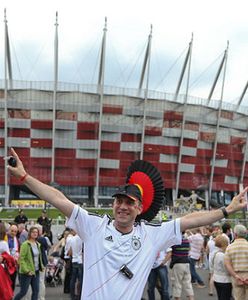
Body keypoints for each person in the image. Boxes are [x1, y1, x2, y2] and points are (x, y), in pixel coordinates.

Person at [7, 148, 248, 300]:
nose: (122, 206)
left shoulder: (151, 234)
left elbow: (190, 219)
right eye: (119, 201)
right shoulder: (94, 225)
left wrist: (226, 209)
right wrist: (25, 177)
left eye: (129, 203)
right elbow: (59, 198)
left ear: (139, 208)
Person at [14, 226, 44, 300]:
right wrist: (27, 270)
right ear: (30, 233)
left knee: (36, 291)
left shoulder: (37, 244)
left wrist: (41, 266)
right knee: (23, 292)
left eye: (36, 232)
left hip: (36, 271)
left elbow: (39, 257)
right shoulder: (25, 244)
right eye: (33, 232)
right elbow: (21, 259)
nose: (35, 233)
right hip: (26, 272)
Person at [224, 224, 248, 300]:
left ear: (235, 234)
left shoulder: (229, 247)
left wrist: (235, 275)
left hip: (236, 275)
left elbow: (227, 265)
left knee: (238, 297)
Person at [170, 232, 194, 300]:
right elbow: (189, 250)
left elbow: (170, 250)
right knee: (188, 283)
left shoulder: (175, 241)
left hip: (178, 263)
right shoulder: (186, 241)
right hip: (186, 263)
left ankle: (177, 298)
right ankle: (191, 298)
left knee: (177, 283)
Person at [210, 234, 232, 300]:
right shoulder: (222, 255)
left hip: (216, 278)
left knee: (220, 297)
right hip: (225, 280)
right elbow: (227, 268)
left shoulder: (214, 253)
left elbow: (211, 266)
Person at [68, 231, 83, 300]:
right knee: (81, 280)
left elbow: (70, 252)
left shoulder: (72, 239)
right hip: (80, 261)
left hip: (74, 260)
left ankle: (72, 295)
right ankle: (79, 295)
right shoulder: (82, 238)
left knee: (73, 279)